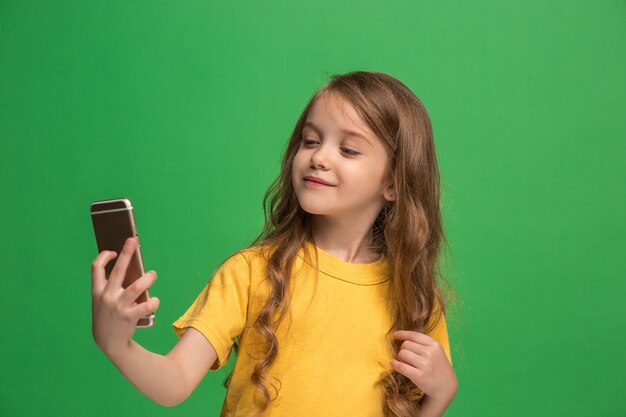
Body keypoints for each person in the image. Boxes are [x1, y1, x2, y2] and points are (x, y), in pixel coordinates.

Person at [91, 70, 458, 417]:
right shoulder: (250, 272)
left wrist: (440, 395)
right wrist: (116, 345)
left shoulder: (414, 299)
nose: (318, 157)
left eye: (348, 150)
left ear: (393, 183)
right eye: (310, 140)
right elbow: (174, 383)